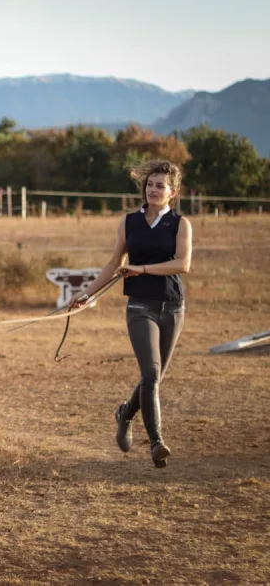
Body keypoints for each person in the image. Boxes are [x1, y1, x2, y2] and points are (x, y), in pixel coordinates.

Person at [69, 159, 193, 468]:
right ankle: (156, 443)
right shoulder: (129, 222)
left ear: (172, 193)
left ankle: (125, 413)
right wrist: (86, 294)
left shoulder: (181, 224)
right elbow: (113, 264)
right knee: (151, 374)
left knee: (155, 377)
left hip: (172, 305)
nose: (153, 189)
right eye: (150, 184)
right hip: (140, 305)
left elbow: (182, 264)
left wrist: (141, 268)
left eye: (160, 185)